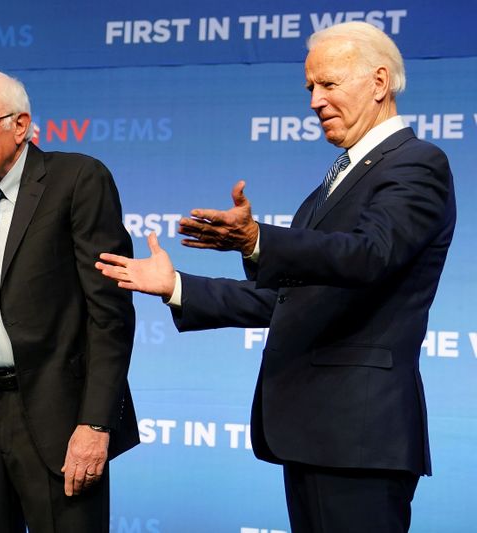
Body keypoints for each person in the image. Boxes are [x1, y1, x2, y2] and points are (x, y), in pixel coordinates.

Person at [96, 22, 455, 533]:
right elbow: (286, 300)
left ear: (379, 82)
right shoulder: (330, 186)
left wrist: (259, 240)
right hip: (313, 430)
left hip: (358, 434)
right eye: (310, 87)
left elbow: (371, 254)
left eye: (328, 84)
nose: (314, 100)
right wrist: (177, 286)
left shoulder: (417, 164)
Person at [0, 68, 138, 532]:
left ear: (20, 125)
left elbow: (109, 314)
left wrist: (96, 423)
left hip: (57, 415)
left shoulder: (78, 179)